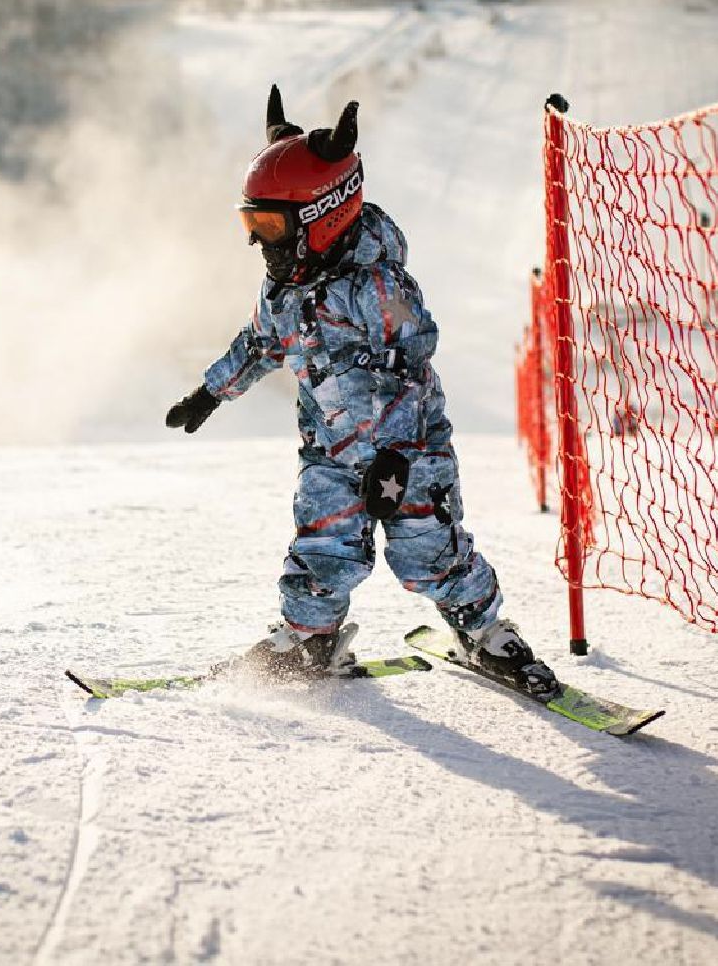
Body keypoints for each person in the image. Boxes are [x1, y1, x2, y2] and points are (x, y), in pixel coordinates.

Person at [162, 87, 560, 697]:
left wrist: (396, 458)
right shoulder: (286, 288)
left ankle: (484, 633)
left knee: (428, 551)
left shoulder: (376, 286)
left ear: (326, 213)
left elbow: (409, 364)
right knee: (321, 546)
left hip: (408, 452)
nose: (258, 240)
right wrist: (211, 392)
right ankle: (311, 640)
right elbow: (261, 342)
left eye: (269, 223)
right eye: (252, 222)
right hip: (329, 450)